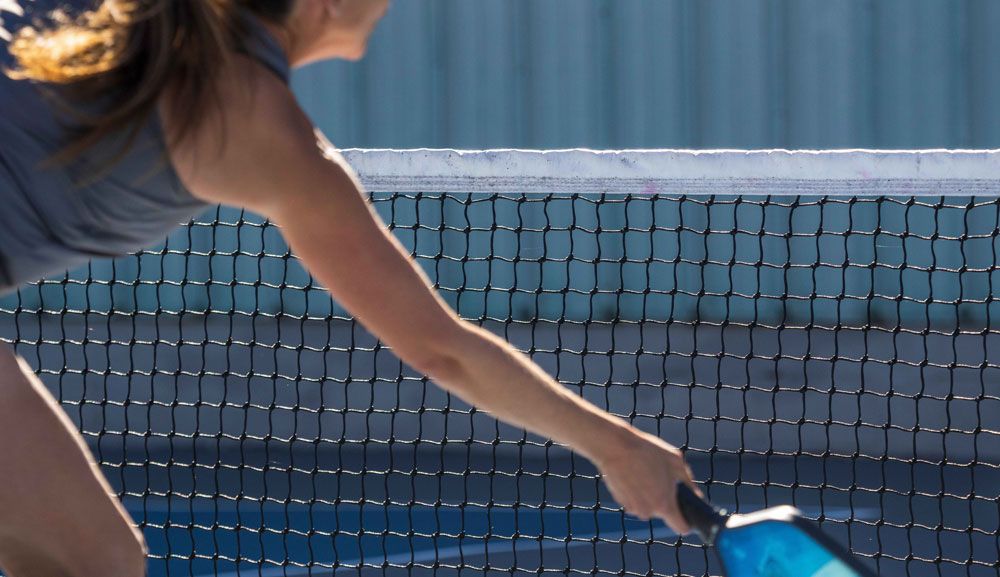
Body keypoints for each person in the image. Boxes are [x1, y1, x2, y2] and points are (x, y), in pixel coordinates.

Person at [0, 1, 695, 575]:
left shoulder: (107, 23)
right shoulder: (254, 125)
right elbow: (440, 349)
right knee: (89, 560)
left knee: (87, 558)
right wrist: (619, 447)